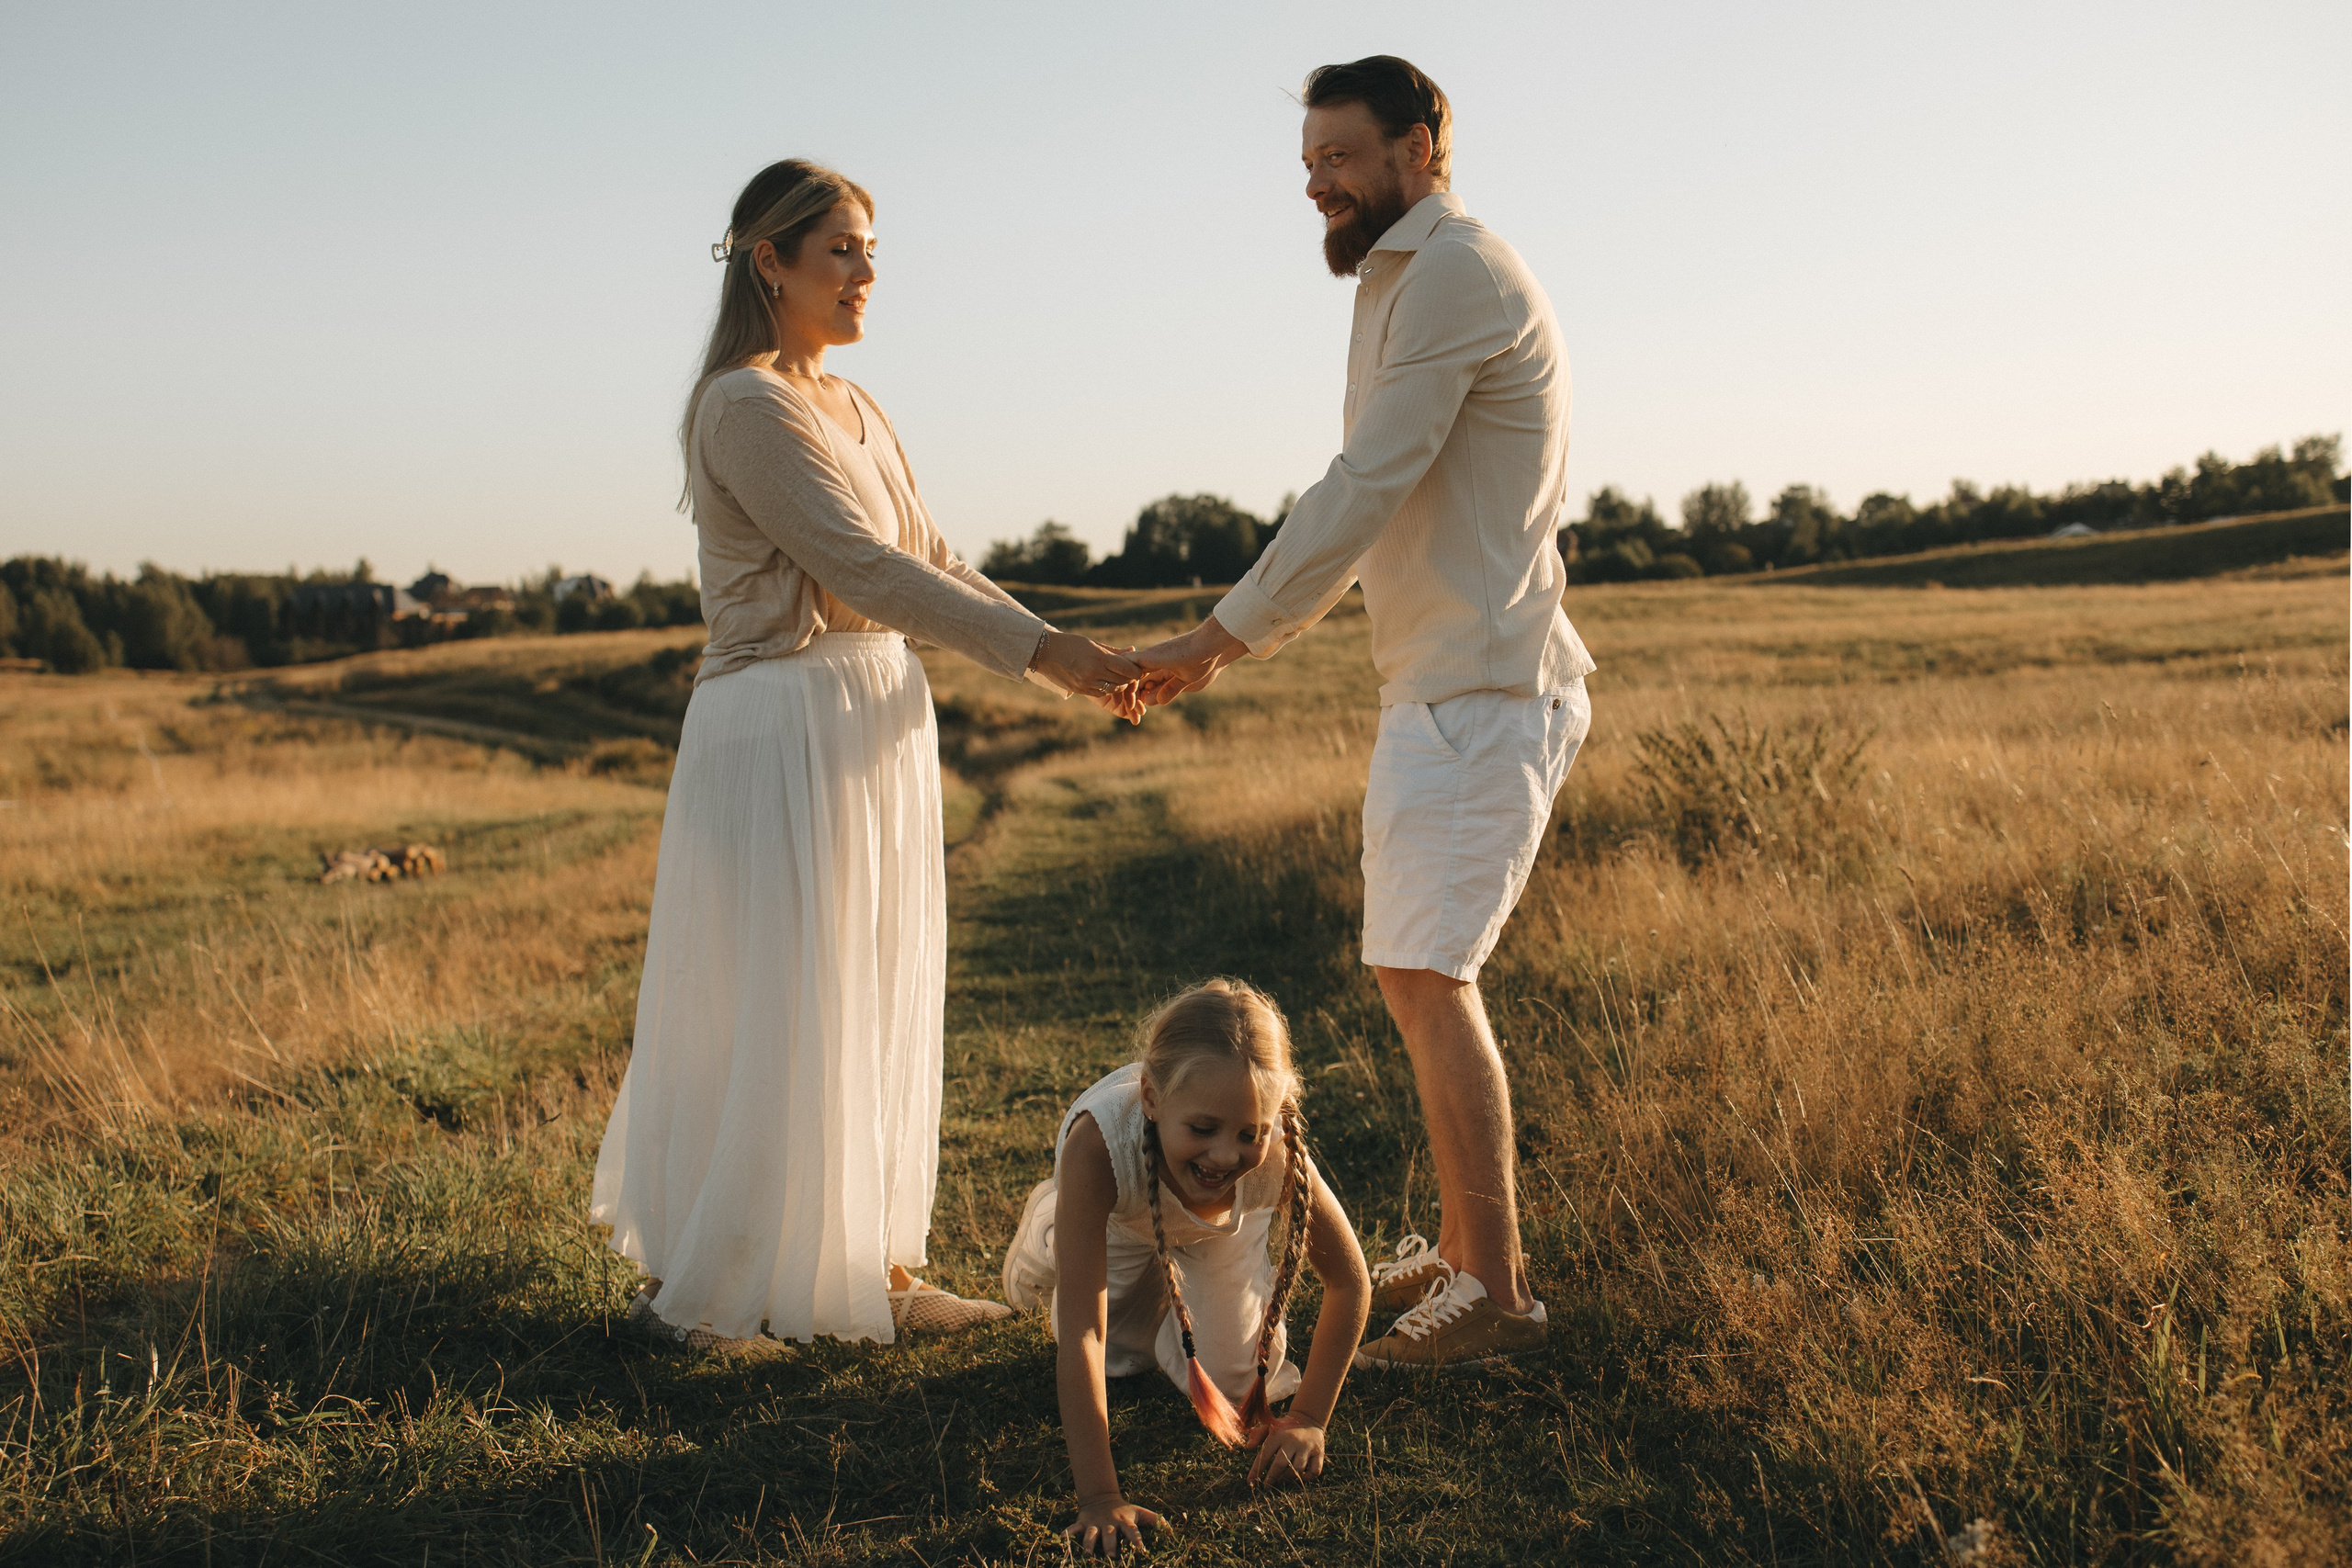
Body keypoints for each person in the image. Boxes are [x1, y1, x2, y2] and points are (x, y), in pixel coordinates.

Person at [591, 159, 1145, 1350]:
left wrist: (1068, 652)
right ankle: (721, 1287)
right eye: (840, 249)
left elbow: (934, 557)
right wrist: (1049, 656)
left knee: (875, 988)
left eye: (870, 249)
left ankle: (872, 1268)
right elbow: (861, 568)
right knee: (788, 997)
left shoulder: (857, 404)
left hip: (875, 715)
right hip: (784, 719)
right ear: (770, 261)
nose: (866, 272)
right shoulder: (744, 405)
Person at [1135, 58, 1597, 1370]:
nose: (1317, 183)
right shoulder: (1397, 277)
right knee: (1411, 973)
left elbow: (1364, 484)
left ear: (1420, 146)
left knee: (1434, 979)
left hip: (1487, 688)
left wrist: (1219, 637)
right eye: (1308, 163)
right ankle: (1459, 1250)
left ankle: (1496, 1296)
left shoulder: (1457, 272)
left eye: (1339, 156)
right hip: (1435, 685)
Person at [1001, 980, 1372, 1558]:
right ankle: (1052, 1229)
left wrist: (1308, 1417)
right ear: (1151, 1098)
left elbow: (1349, 1282)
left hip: (1217, 1229)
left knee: (1238, 1383)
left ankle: (1183, 1285)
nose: (1225, 1154)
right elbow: (1085, 1333)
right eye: (1203, 1129)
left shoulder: (1275, 1154)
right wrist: (1100, 1497)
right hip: (1120, 1219)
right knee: (1116, 1359)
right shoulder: (1099, 1146)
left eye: (1249, 1133)